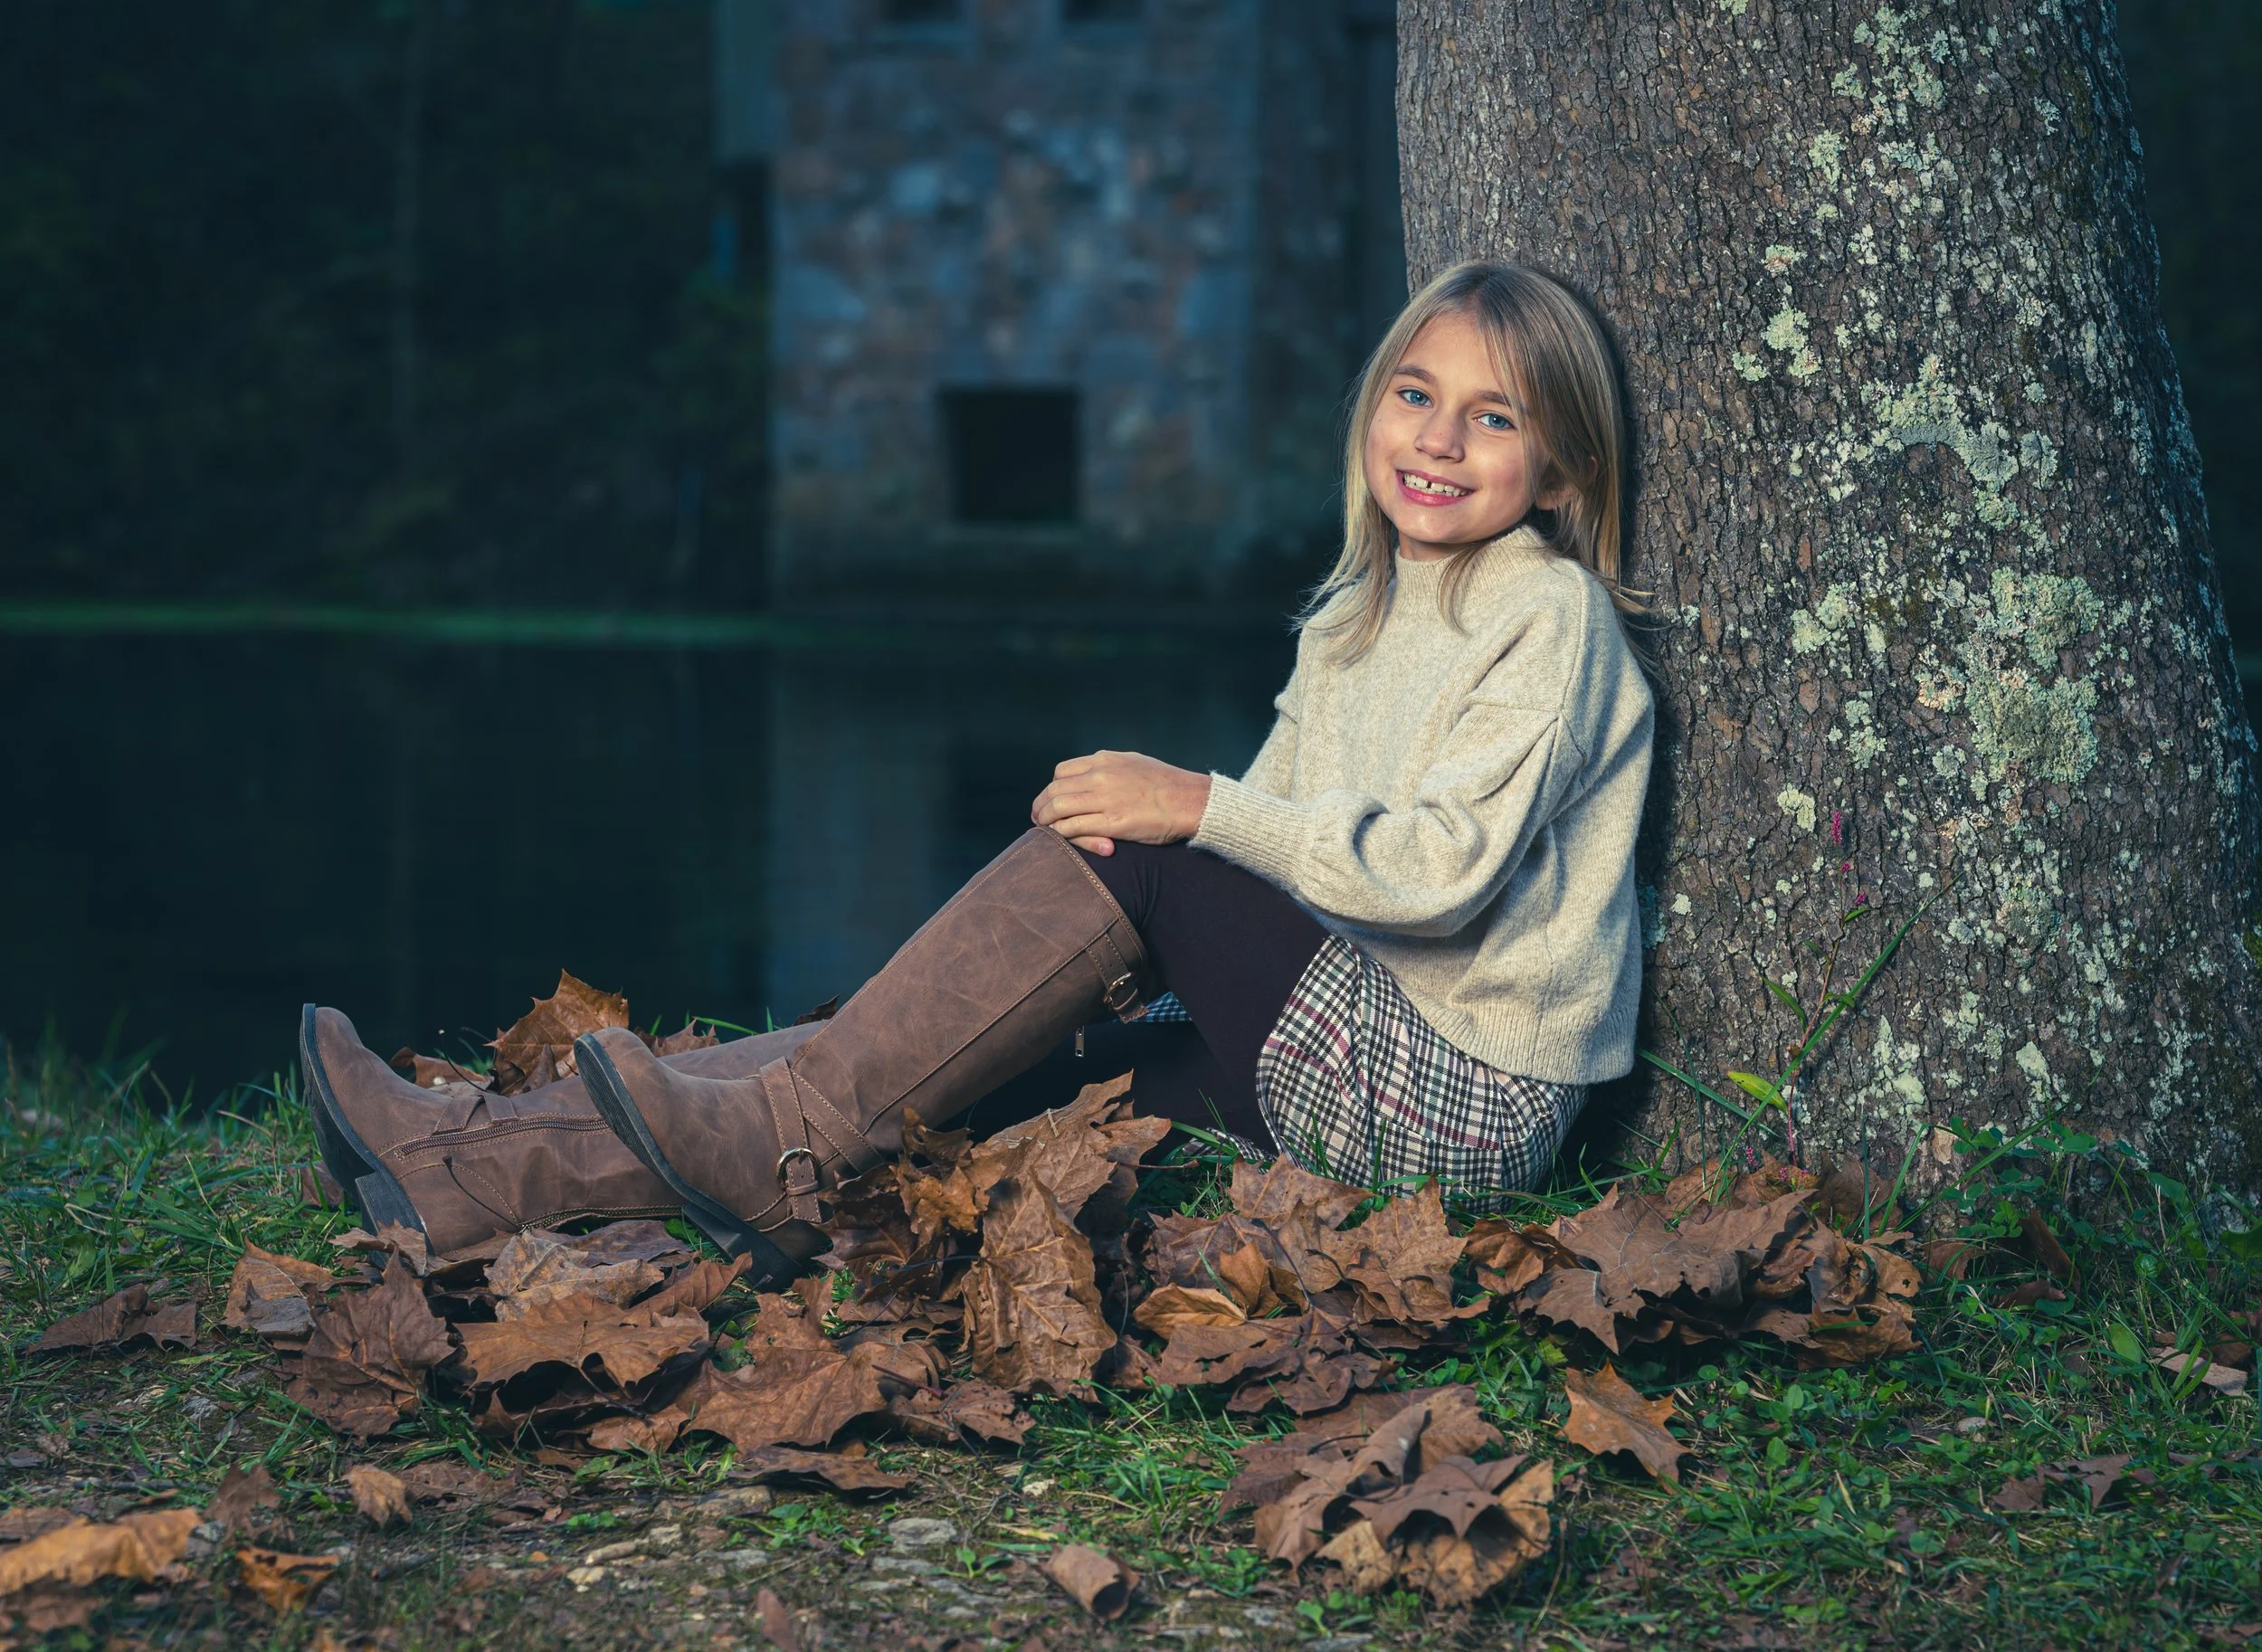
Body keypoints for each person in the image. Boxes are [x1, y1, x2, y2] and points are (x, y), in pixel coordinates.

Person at [301, 261, 1656, 1289]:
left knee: (1144, 843)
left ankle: (768, 1155)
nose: (1436, 440)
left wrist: (1182, 816)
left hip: (1450, 1094)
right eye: (1416, 397)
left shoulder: (1549, 616)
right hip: (1328, 1037)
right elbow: (1284, 859)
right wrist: (1092, 947)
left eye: (1492, 420)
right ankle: (462, 1166)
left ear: (1557, 469)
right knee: (957, 1063)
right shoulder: (1361, 609)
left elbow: (1434, 873)